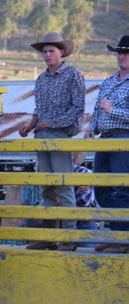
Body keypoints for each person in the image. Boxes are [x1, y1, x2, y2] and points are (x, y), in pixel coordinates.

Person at [20, 32, 85, 251]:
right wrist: (30, 125)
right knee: (46, 186)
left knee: (63, 185)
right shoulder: (41, 79)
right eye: (45, 51)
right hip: (41, 135)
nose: (47, 55)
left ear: (62, 52)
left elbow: (78, 108)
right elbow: (39, 109)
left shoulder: (73, 75)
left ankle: (68, 236)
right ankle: (48, 236)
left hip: (60, 135)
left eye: (52, 51)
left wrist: (52, 123)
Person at [86, 35, 129, 254]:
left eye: (126, 53)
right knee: (101, 188)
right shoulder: (110, 80)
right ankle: (116, 235)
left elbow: (106, 108)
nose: (122, 56)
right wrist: (91, 128)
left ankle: (122, 239)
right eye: (120, 52)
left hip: (124, 137)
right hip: (105, 137)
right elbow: (96, 108)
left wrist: (113, 110)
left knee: (123, 190)